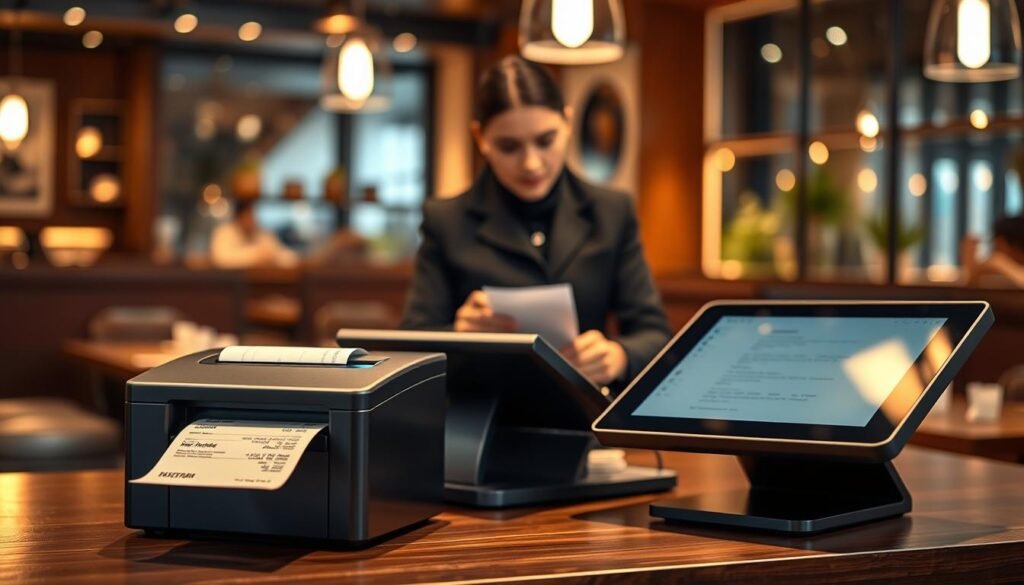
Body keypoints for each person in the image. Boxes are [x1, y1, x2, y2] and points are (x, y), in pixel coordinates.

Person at [401, 56, 671, 389]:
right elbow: (410, 347)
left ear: (568, 123)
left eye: (545, 141)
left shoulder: (612, 211)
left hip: (583, 422)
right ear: (480, 137)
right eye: (509, 146)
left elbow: (655, 335)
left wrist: (618, 355)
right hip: (480, 424)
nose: (531, 164)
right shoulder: (447, 220)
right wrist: (458, 334)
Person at [210, 198, 299, 269]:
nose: (252, 220)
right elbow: (221, 259)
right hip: (231, 285)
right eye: (248, 216)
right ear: (238, 217)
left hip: (260, 283)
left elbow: (285, 256)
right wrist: (257, 255)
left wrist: (272, 255)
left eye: (253, 216)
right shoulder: (224, 232)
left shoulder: (262, 233)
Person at [962, 215, 1024, 288]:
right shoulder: (998, 269)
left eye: (997, 245)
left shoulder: (998, 262)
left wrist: (999, 262)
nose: (994, 250)